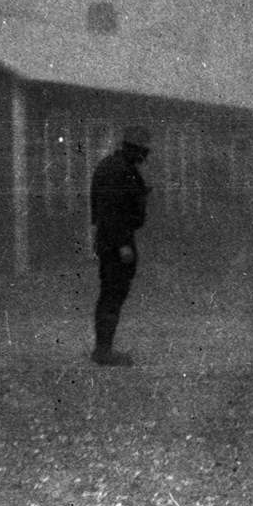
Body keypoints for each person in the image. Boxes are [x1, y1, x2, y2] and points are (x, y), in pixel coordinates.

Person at [88, 126, 151, 366]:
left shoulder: (111, 167)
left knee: (111, 294)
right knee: (113, 295)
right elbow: (113, 211)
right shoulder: (119, 171)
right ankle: (103, 350)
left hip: (110, 239)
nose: (145, 157)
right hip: (116, 241)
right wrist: (123, 244)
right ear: (136, 148)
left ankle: (103, 348)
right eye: (143, 151)